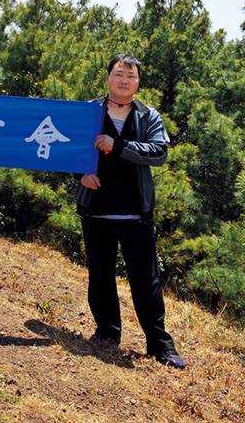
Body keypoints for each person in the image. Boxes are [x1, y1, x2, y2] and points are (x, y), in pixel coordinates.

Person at [77, 53, 186, 368]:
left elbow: (158, 152)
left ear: (138, 83)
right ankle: (107, 333)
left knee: (146, 281)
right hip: (96, 209)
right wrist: (79, 175)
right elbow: (67, 146)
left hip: (136, 213)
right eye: (119, 74)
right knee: (100, 275)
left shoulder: (148, 116)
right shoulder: (89, 111)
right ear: (108, 78)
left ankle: (160, 344)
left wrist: (119, 145)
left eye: (131, 76)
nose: (124, 80)